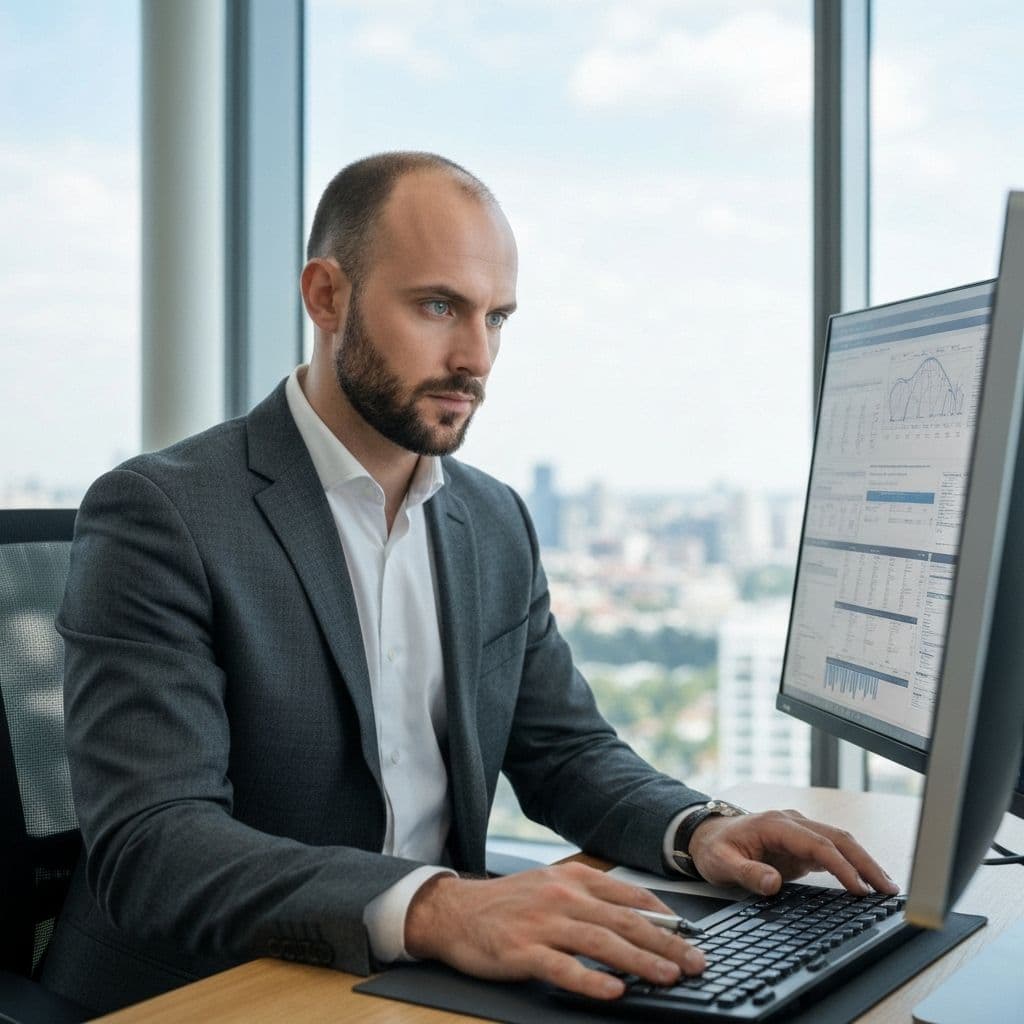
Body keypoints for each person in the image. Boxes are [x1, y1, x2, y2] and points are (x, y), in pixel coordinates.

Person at [43, 152, 897, 1015]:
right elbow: (154, 844)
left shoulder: (492, 521)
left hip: (425, 980)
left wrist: (700, 829)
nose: (474, 357)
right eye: (438, 306)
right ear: (326, 296)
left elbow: (565, 754)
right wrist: (441, 907)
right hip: (214, 990)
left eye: (497, 318)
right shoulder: (163, 513)